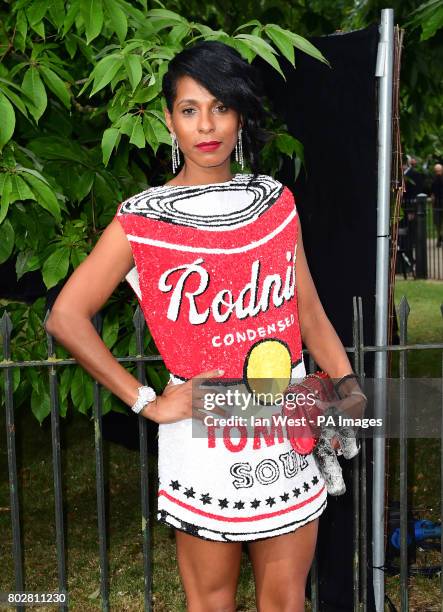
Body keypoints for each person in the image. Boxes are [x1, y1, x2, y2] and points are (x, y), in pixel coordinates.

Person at [45, 41, 365, 612]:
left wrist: (346, 385)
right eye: (190, 109)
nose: (207, 125)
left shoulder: (274, 201)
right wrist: (148, 401)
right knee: (211, 603)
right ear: (169, 119)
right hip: (203, 435)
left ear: (240, 114)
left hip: (286, 427)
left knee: (286, 600)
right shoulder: (142, 219)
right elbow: (66, 316)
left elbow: (308, 313)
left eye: (220, 107)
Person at [431, 163, 443, 247]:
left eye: (439, 171)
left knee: (438, 222)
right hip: (437, 205)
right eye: (436, 171)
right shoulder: (433, 180)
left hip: (438, 204)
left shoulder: (434, 180)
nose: (438, 172)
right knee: (437, 223)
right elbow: (432, 195)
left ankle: (440, 236)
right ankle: (439, 236)